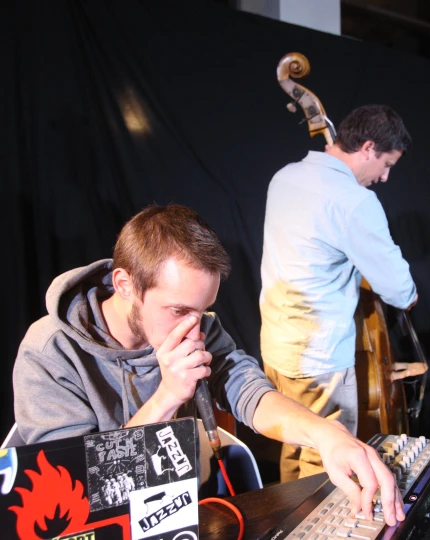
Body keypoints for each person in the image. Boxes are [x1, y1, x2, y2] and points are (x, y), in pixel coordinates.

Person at [12, 204, 404, 525]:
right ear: (125, 285)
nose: (192, 326)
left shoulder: (196, 324)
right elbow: (72, 491)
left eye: (202, 311)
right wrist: (166, 397)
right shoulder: (49, 353)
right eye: (178, 310)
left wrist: (324, 434)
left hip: (179, 512)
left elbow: (249, 392)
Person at [260, 104, 418, 482]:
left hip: (276, 346)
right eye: (386, 164)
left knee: (295, 446)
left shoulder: (284, 177)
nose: (384, 177)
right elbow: (398, 289)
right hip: (320, 359)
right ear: (367, 148)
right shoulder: (354, 201)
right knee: (325, 468)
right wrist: (411, 295)